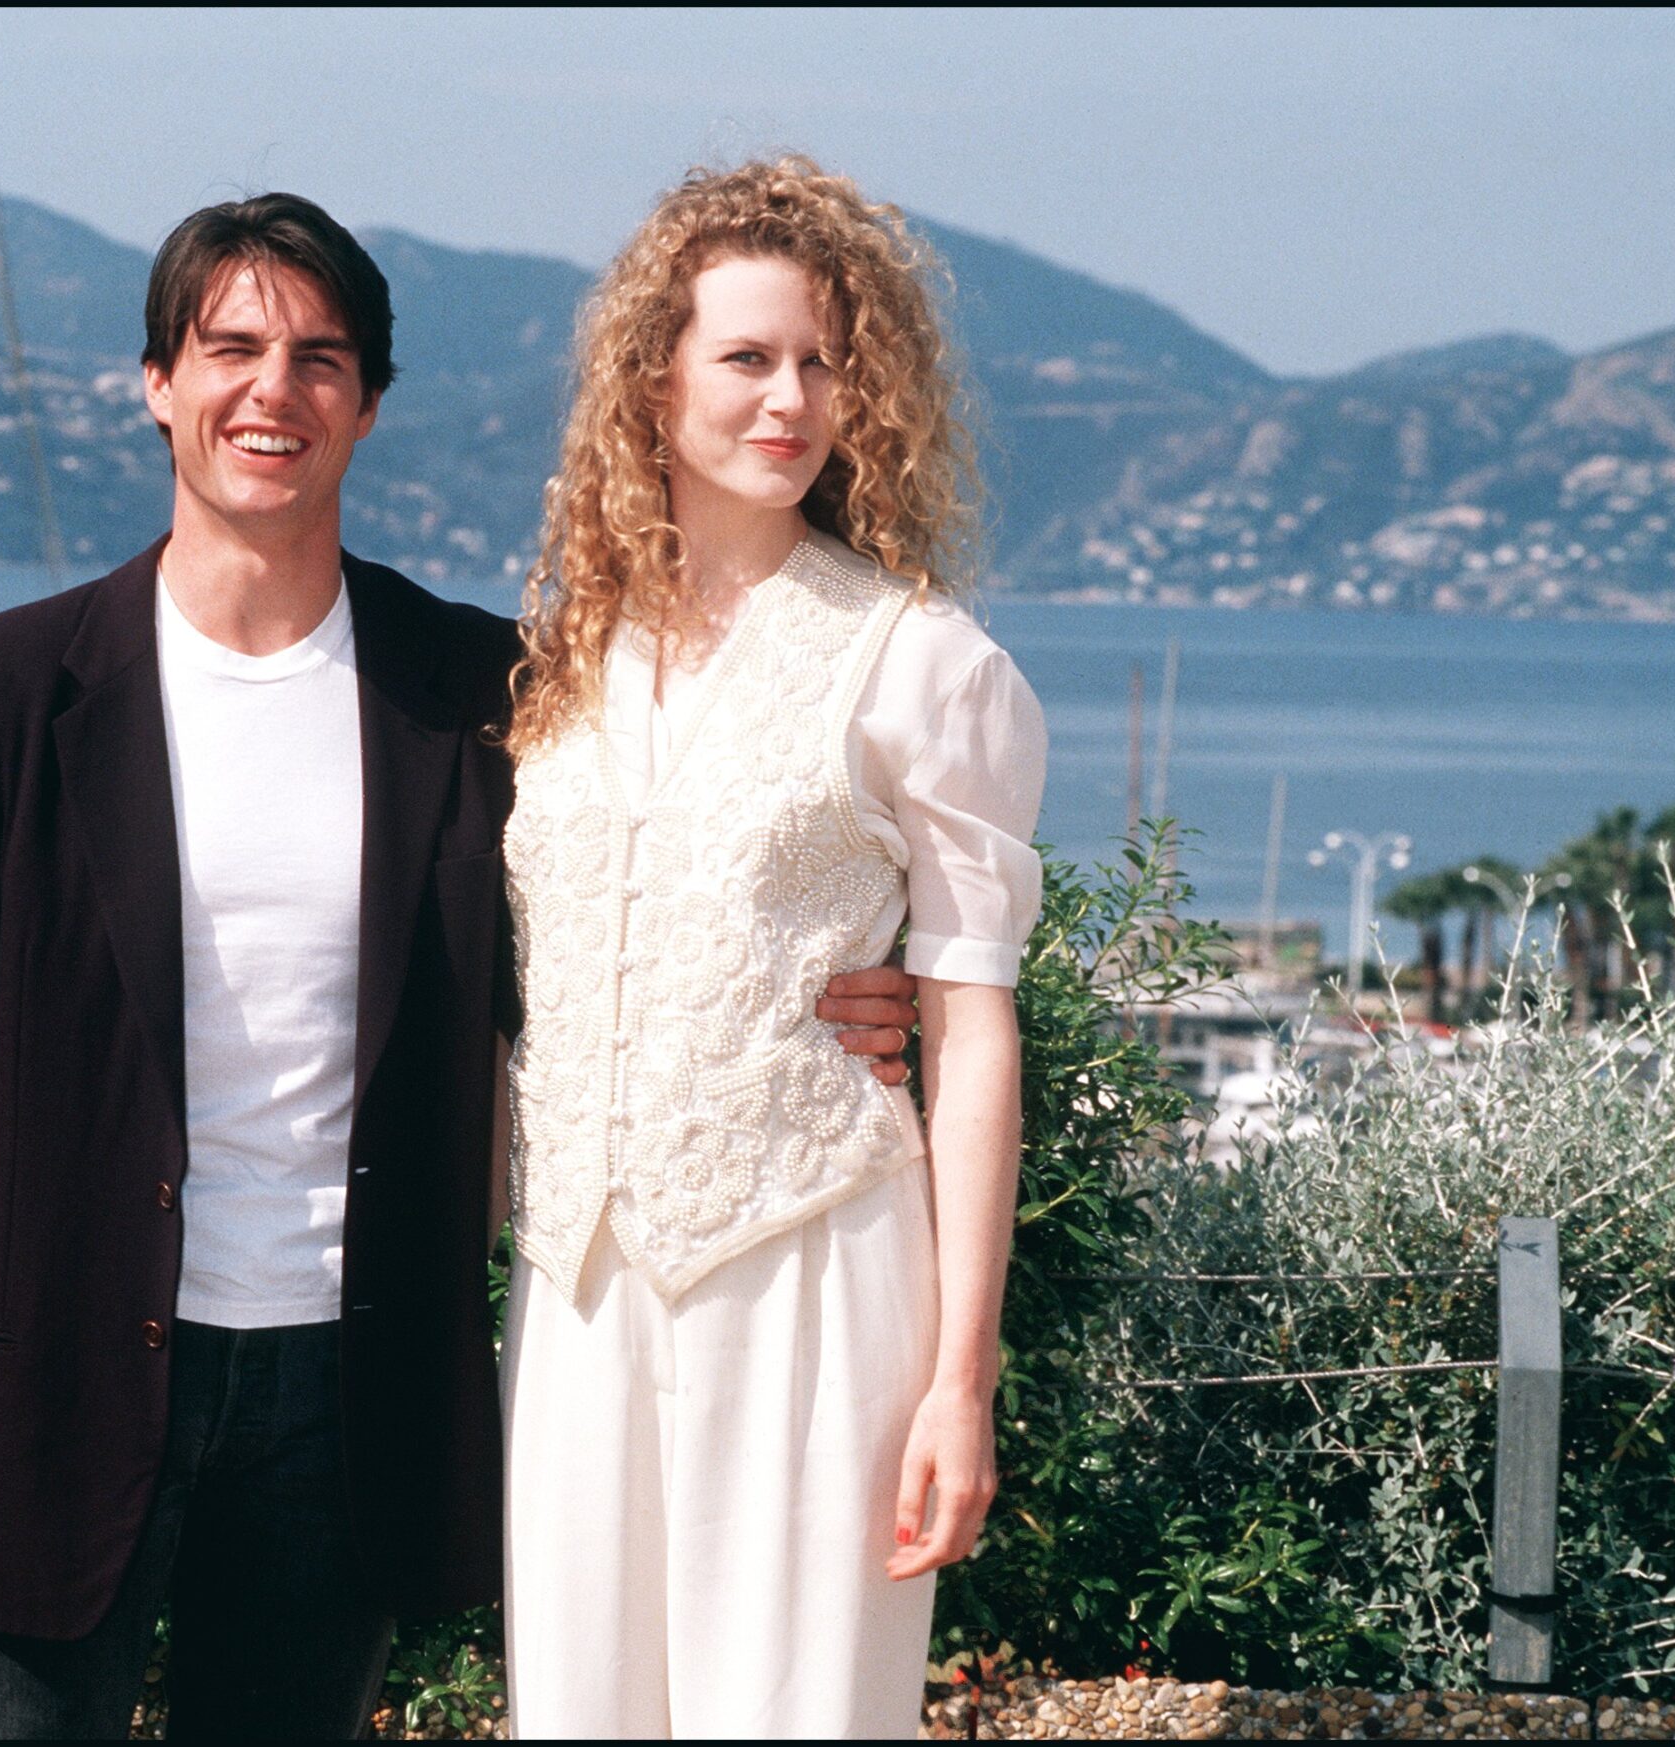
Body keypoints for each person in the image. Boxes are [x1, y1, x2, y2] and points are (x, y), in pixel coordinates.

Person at [0, 191, 920, 1741]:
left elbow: (630, 920)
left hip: (347, 1397)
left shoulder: (478, 688)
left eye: (322, 358)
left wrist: (875, 996)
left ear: (370, 405)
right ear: (158, 383)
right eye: (233, 348)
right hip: (53, 1380)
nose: (276, 390)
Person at [497, 157, 1048, 1739]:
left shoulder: (923, 668)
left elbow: (976, 1038)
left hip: (813, 1273)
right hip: (578, 1288)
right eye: (747, 356)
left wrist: (960, 1380)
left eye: (824, 360)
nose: (791, 399)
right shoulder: (560, 665)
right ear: (651, 378)